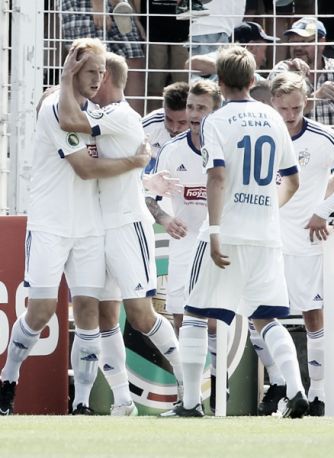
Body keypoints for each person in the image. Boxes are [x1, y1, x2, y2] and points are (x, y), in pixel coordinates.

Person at [0, 38, 149, 416]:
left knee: (88, 309)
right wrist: (135, 163)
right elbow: (84, 168)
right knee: (40, 310)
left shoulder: (97, 113)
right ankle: (8, 377)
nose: (98, 79)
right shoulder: (55, 107)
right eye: (90, 72)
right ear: (72, 70)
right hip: (51, 223)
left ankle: (81, 402)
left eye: (101, 72)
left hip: (90, 227)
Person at [167, 45, 308, 418]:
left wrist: (214, 231)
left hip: (226, 232)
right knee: (267, 318)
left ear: (219, 80)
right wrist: (264, 209)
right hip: (264, 234)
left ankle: (192, 403)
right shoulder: (274, 118)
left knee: (196, 313)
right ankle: (296, 390)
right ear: (251, 80)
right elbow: (292, 181)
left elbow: (216, 176)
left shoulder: (216, 121)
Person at [58, 48, 185, 409]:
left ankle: (189, 386)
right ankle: (120, 401)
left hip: (128, 227)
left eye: (96, 75)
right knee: (104, 315)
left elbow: (69, 121)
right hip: (99, 229)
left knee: (142, 316)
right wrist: (145, 176)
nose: (92, 82)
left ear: (106, 78)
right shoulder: (103, 115)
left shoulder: (121, 115)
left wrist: (67, 76)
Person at [251, 72, 334, 417]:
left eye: (296, 107)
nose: (289, 115)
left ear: (307, 103)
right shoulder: (259, 134)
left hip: (306, 241)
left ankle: (318, 394)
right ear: (272, 104)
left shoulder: (324, 138)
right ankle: (280, 384)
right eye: (283, 108)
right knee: (258, 315)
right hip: (266, 240)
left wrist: (321, 212)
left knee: (313, 317)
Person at [145, 80, 224, 413]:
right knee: (181, 318)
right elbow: (149, 196)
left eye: (201, 108)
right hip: (184, 243)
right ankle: (188, 397)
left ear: (216, 111)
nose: (193, 114)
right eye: (190, 107)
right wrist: (164, 217)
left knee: (216, 321)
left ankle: (221, 392)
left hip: (219, 242)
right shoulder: (173, 149)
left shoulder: (227, 147)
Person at [269, 17, 334, 131]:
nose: (298, 47)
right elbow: (269, 112)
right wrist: (316, 96)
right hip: (294, 145)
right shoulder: (282, 70)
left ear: (322, 43)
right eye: (293, 42)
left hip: (330, 145)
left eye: (304, 42)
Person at [59, 0, 146, 115]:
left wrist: (134, 18)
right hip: (84, 5)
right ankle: (93, 121)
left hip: (118, 4)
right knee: (93, 61)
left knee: (134, 58)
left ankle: (133, 122)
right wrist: (98, 3)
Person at [140, 0, 190, 112]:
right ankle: (152, 121)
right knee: (155, 84)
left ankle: (182, 121)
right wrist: (138, 20)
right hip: (153, 26)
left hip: (183, 28)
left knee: (183, 85)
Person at [187, 21, 279, 78]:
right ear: (252, 47)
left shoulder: (255, 78)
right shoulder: (222, 57)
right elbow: (192, 64)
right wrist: (233, 69)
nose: (265, 59)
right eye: (264, 51)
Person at [142, 81, 189, 173]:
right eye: (169, 119)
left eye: (182, 122)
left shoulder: (204, 129)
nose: (174, 128)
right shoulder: (149, 125)